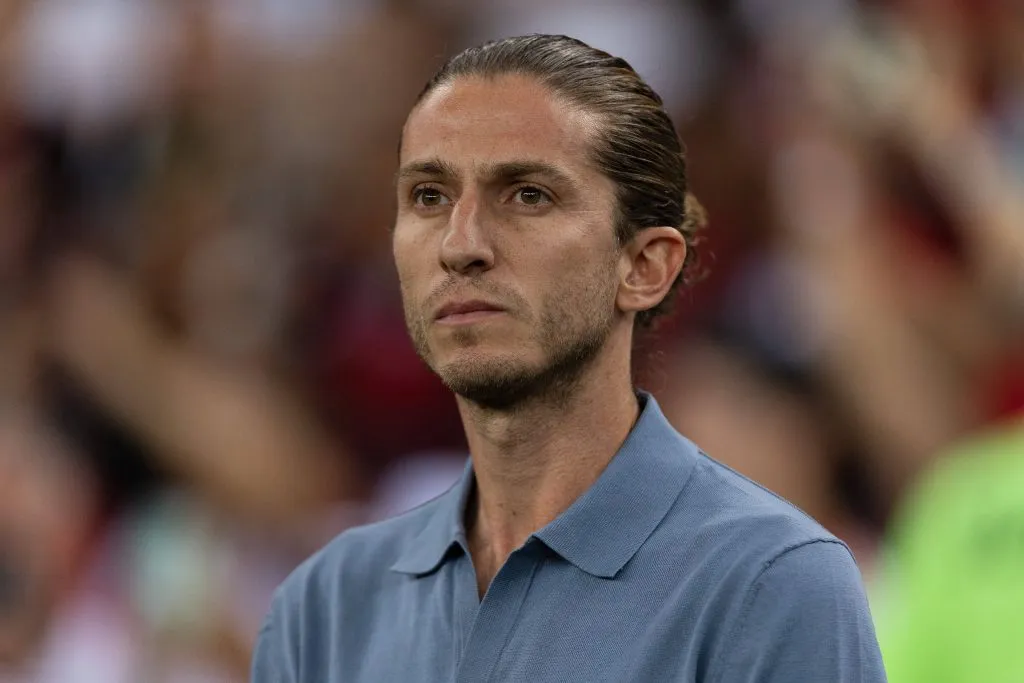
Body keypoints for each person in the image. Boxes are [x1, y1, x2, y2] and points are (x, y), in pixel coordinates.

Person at [251, 34, 887, 682]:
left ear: (644, 266)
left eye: (527, 194)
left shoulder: (771, 584)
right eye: (429, 196)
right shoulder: (322, 606)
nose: (460, 243)